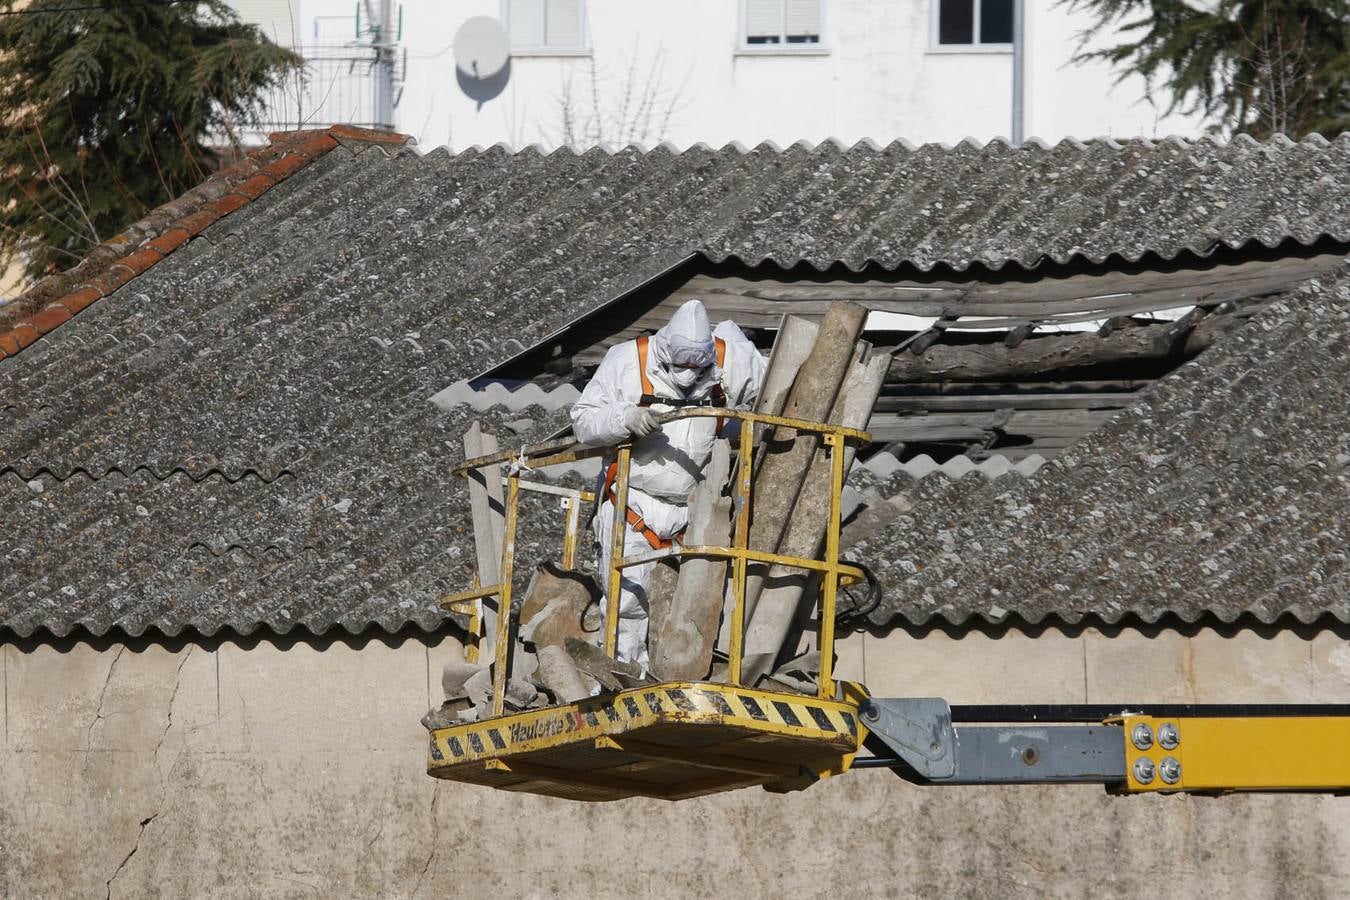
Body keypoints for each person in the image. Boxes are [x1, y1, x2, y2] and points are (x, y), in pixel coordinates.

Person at [570, 299, 768, 672]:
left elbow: (775, 392)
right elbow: (583, 420)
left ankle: (680, 674)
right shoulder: (627, 360)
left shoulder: (735, 362)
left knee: (696, 601)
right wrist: (625, 417)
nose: (690, 375)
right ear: (664, 353)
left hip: (699, 506)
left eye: (698, 366)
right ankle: (620, 675)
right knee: (627, 597)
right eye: (681, 365)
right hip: (635, 500)